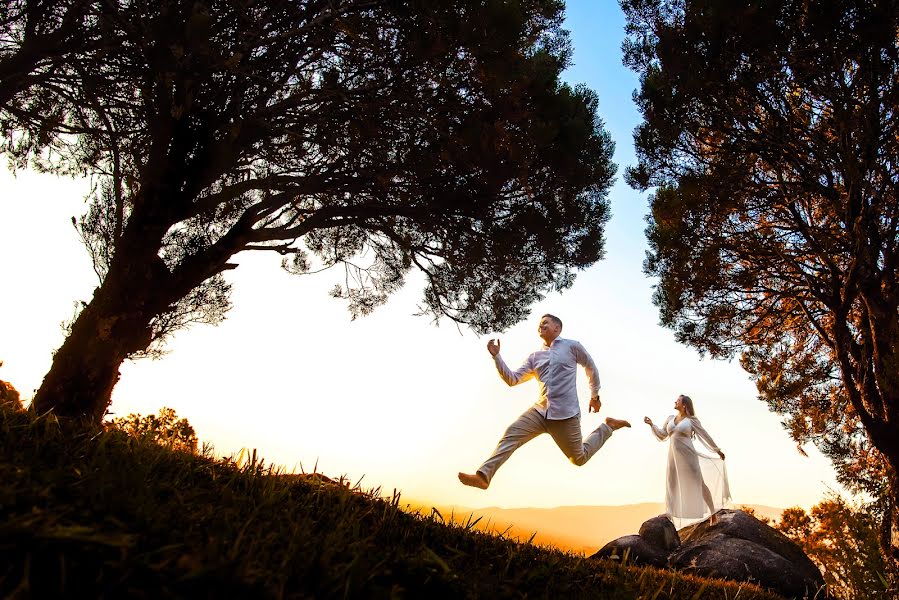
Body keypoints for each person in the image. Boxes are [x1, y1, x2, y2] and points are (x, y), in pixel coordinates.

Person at [458, 314, 630, 490]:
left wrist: (595, 397)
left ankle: (608, 426)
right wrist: (497, 357)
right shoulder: (535, 357)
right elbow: (513, 379)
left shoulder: (572, 346)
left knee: (579, 459)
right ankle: (484, 476)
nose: (541, 326)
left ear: (557, 328)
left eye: (545, 322)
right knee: (512, 433)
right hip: (540, 412)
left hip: (566, 415)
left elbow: (590, 367)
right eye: (539, 324)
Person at [644, 395, 731, 526]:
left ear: (684, 405)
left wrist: (717, 450)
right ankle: (669, 512)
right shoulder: (670, 418)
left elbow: (705, 435)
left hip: (688, 455)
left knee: (699, 483)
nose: (675, 401)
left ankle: (713, 514)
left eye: (678, 400)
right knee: (671, 481)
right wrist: (651, 425)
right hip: (673, 456)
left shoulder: (691, 421)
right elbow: (663, 434)